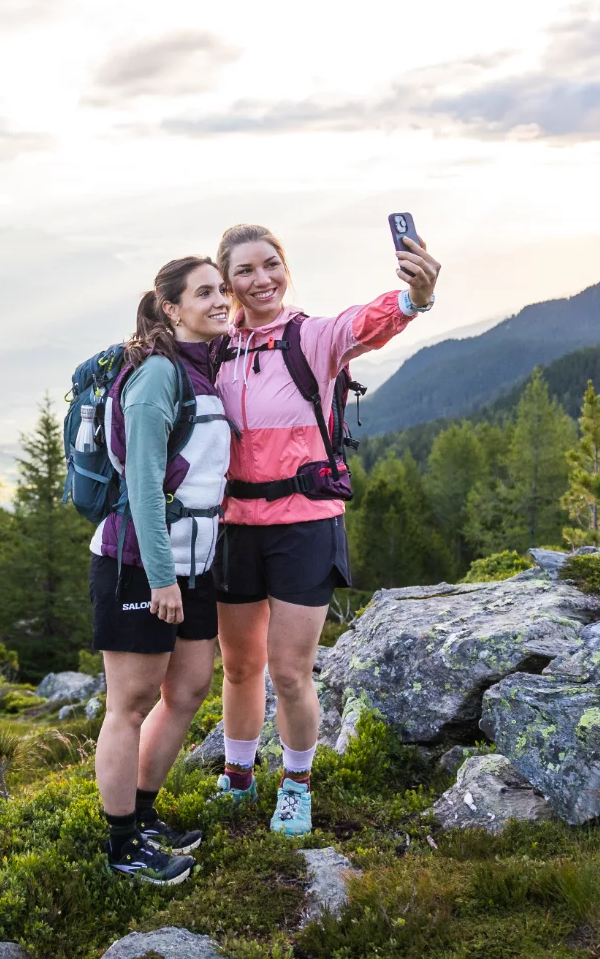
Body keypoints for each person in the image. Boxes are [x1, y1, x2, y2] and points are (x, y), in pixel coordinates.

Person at [211, 222, 440, 836]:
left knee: (288, 671)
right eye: (245, 271)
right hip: (234, 524)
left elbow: (363, 323)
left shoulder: (311, 338)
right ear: (227, 282)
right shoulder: (215, 348)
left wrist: (413, 299)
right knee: (237, 669)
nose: (262, 280)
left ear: (286, 268)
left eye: (271, 265)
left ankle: (296, 783)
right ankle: (236, 776)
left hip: (305, 523)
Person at [91, 256, 234, 885]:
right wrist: (160, 578)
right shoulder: (156, 376)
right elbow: (145, 487)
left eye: (221, 289)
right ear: (172, 309)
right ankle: (124, 846)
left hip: (194, 562)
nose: (220, 299)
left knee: (189, 688)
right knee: (130, 702)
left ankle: (145, 815)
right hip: (139, 564)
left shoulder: (204, 371)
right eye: (205, 292)